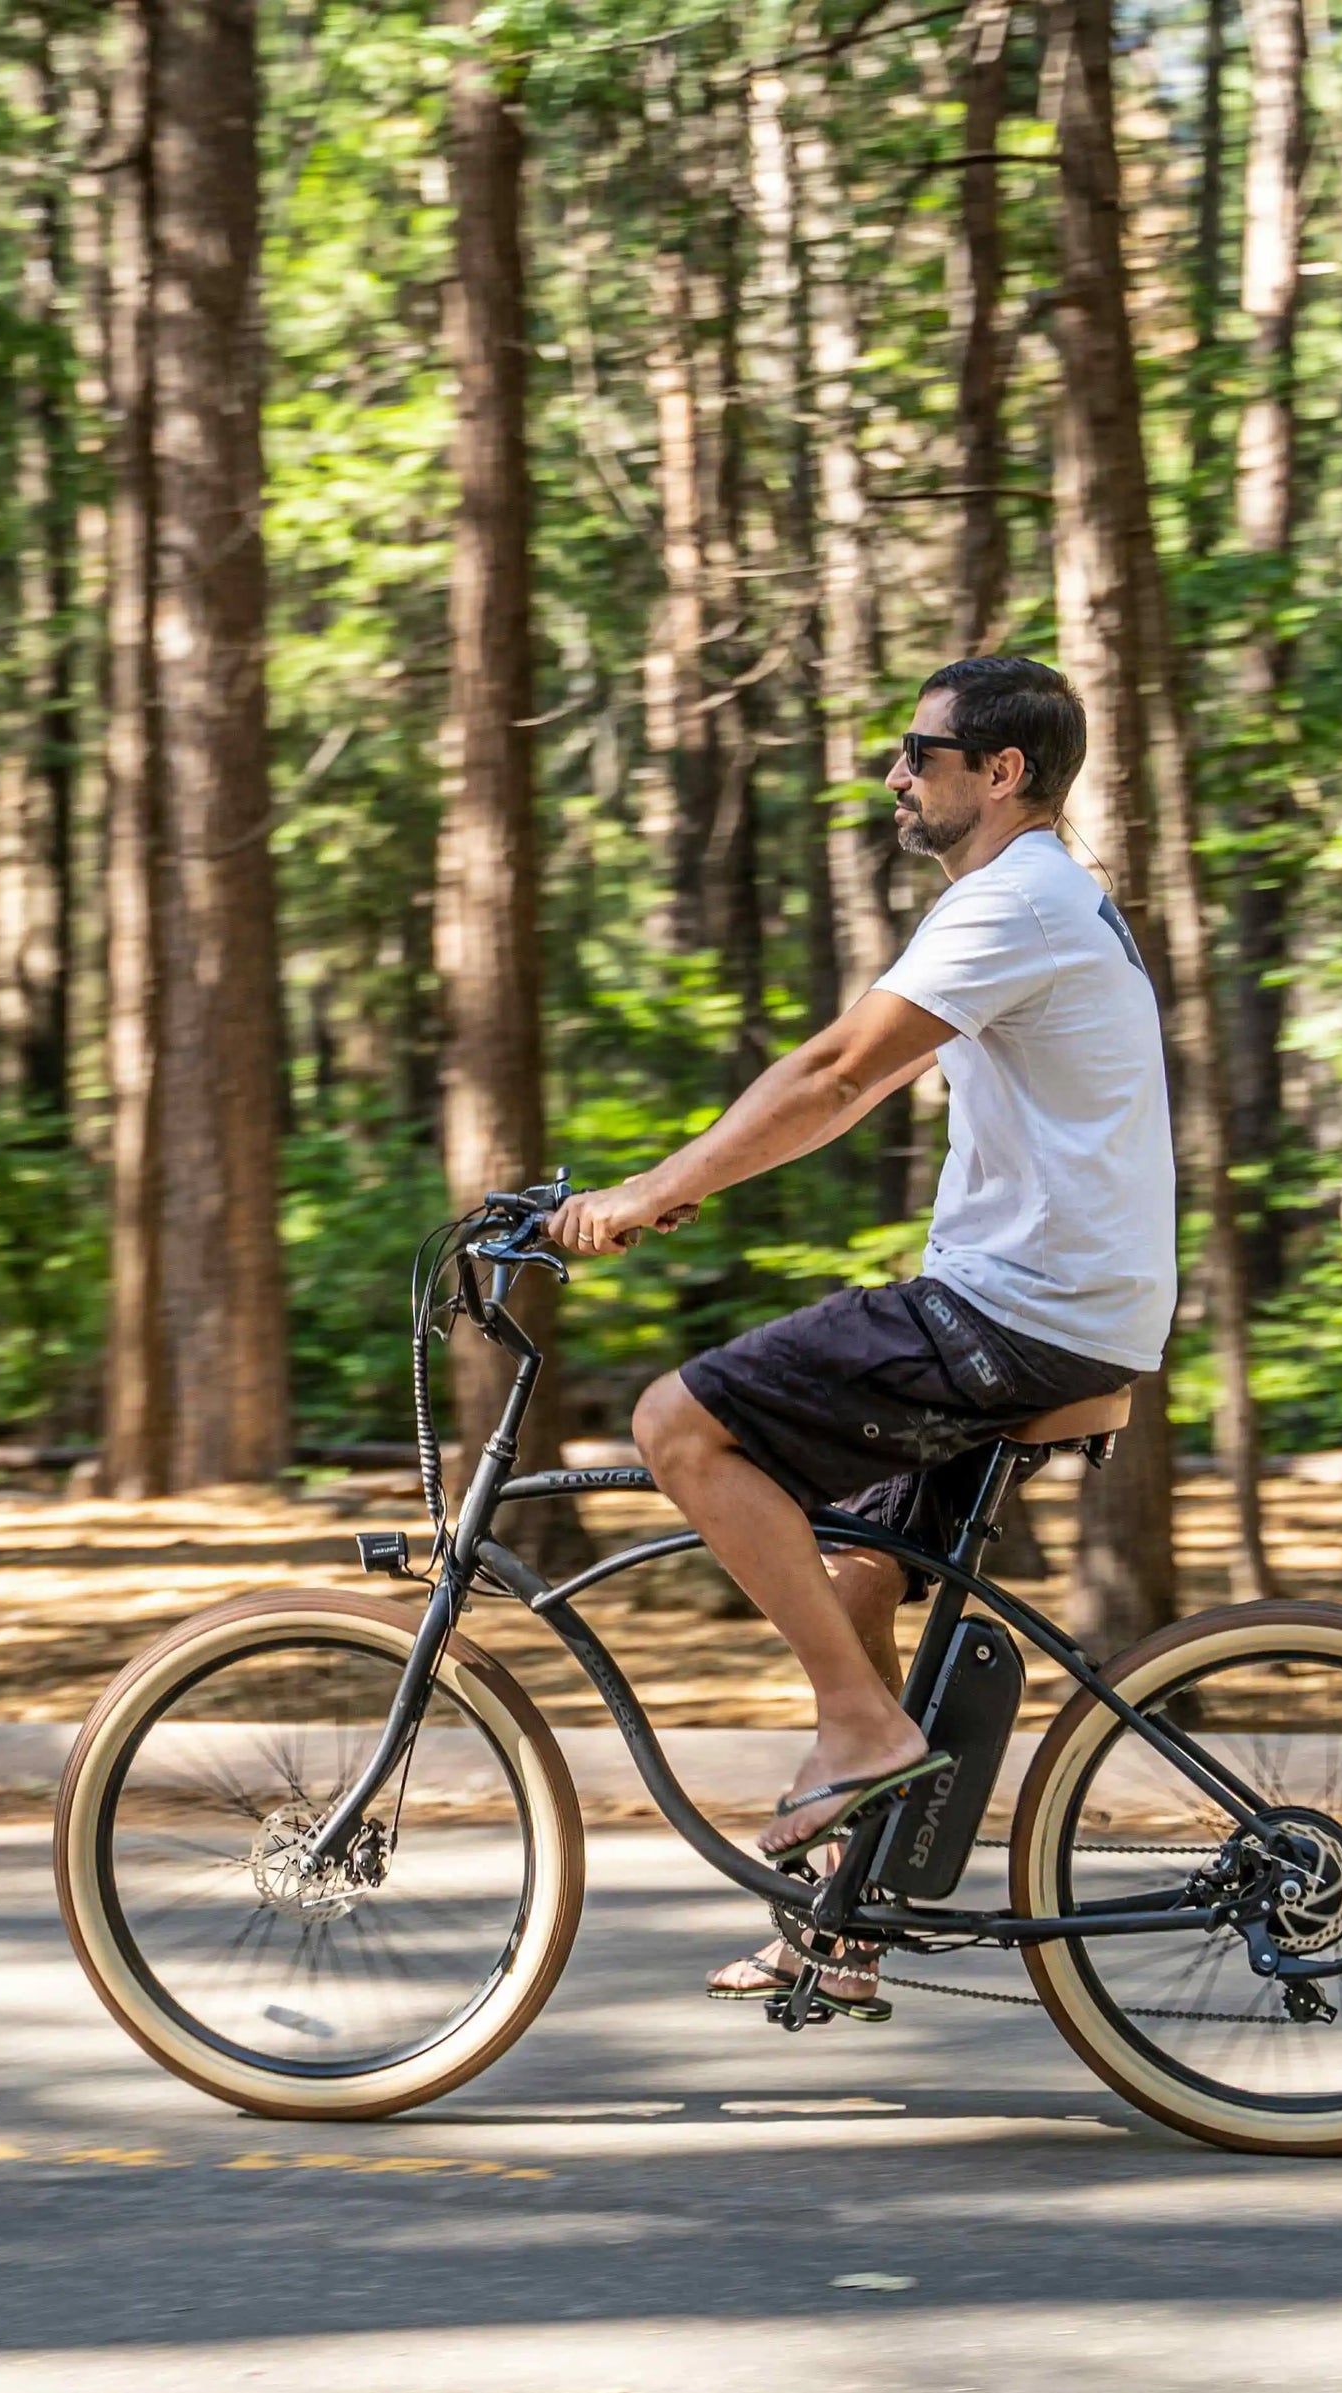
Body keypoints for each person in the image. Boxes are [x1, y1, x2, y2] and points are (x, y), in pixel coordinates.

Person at [548, 655, 1176, 2018]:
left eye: (919, 751)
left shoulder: (1017, 897)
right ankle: (840, 1920)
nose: (898, 776)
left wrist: (653, 1194)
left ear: (999, 773)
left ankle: (862, 1725)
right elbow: (863, 1075)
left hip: (1022, 1311)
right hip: (1056, 1304)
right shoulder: (1039, 901)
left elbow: (840, 1072)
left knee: (678, 1424)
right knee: (859, 1571)